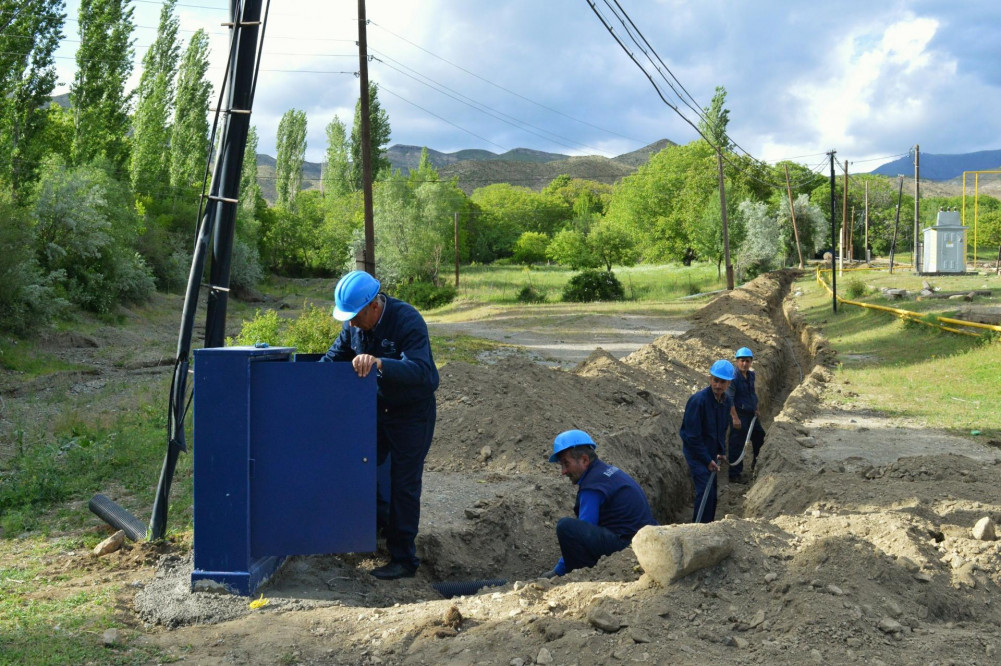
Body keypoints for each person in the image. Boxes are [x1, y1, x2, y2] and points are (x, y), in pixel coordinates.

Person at [321, 270, 439, 580]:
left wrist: (380, 363)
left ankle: (404, 560)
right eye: (347, 318)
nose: (350, 324)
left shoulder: (407, 320)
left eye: (355, 316)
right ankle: (374, 527)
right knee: (357, 464)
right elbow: (330, 362)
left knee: (404, 482)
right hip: (377, 409)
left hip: (412, 413)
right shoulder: (354, 326)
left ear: (374, 305)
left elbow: (422, 371)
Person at [543, 429, 657, 577]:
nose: (563, 471)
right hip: (647, 538)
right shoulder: (608, 472)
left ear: (584, 460)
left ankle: (579, 575)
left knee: (566, 527)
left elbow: (582, 533)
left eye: (566, 464)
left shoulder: (592, 487)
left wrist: (558, 572)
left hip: (628, 546)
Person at [680, 360, 736, 523]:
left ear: (728, 383)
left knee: (712, 493)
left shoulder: (726, 401)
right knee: (705, 491)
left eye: (722, 382)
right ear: (710, 379)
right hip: (696, 452)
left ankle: (708, 526)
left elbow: (722, 428)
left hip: (711, 451)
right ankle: (698, 528)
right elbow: (692, 436)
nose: (718, 385)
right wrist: (706, 459)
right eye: (715, 380)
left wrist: (721, 451)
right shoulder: (698, 401)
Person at [727, 347, 766, 483]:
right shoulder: (733, 378)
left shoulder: (751, 375)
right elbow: (729, 399)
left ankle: (757, 463)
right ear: (737, 361)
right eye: (742, 360)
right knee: (737, 443)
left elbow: (752, 393)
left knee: (760, 436)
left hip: (751, 414)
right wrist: (735, 417)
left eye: (747, 361)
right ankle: (734, 474)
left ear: (751, 362)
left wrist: (756, 408)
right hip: (739, 415)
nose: (744, 364)